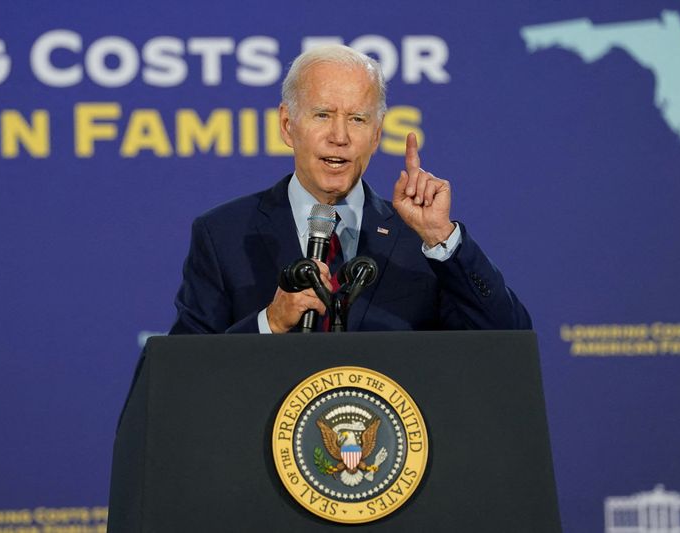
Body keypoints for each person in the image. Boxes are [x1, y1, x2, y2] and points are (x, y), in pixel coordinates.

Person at [169, 45, 531, 334]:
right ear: (286, 124)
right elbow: (184, 373)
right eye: (323, 115)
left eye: (357, 119)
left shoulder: (420, 241)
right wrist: (270, 323)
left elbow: (508, 338)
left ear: (376, 135)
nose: (339, 137)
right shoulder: (223, 234)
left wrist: (441, 237)